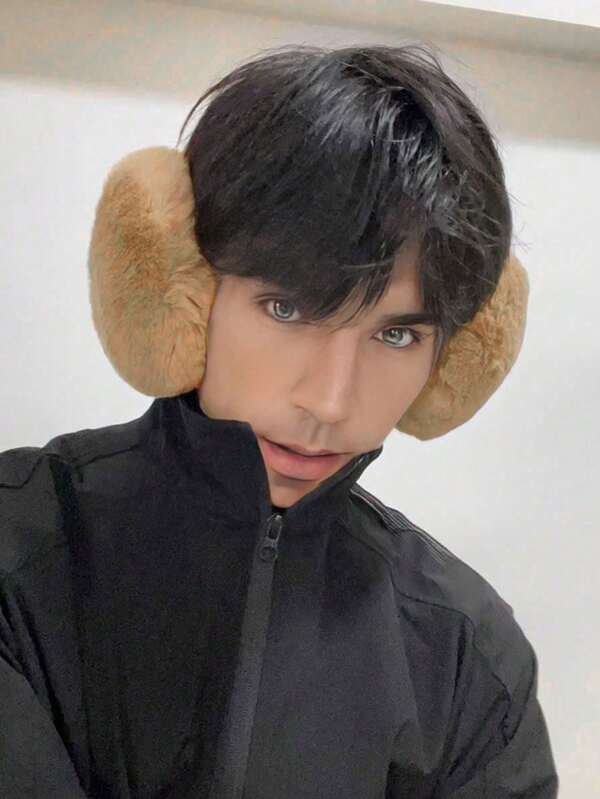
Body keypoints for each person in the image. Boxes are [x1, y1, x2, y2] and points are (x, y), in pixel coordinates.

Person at [0, 44, 558, 798]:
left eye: (397, 334)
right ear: (179, 288)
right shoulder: (15, 552)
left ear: (455, 358)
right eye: (287, 308)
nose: (331, 403)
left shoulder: (470, 656)